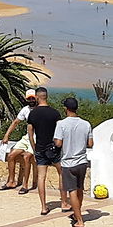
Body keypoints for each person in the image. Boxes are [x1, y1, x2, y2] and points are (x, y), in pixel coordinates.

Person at [27, 87, 68, 215]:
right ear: (46, 97)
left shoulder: (32, 114)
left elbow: (30, 134)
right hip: (54, 148)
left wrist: (34, 149)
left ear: (37, 97)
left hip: (40, 148)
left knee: (41, 177)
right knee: (61, 173)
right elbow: (60, 132)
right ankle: (64, 202)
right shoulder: (55, 113)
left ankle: (44, 207)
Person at [53, 97, 93, 227]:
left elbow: (58, 143)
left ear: (66, 109)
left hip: (68, 163)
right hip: (82, 161)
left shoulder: (61, 124)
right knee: (79, 189)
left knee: (72, 191)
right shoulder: (86, 124)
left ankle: (79, 220)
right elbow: (90, 143)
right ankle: (77, 213)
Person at [0, 89, 39, 194]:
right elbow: (16, 122)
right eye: (29, 98)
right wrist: (6, 136)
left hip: (36, 138)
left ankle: (25, 185)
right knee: (11, 155)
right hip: (27, 137)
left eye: (32, 98)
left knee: (27, 157)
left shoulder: (40, 110)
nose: (31, 100)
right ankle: (11, 181)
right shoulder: (25, 109)